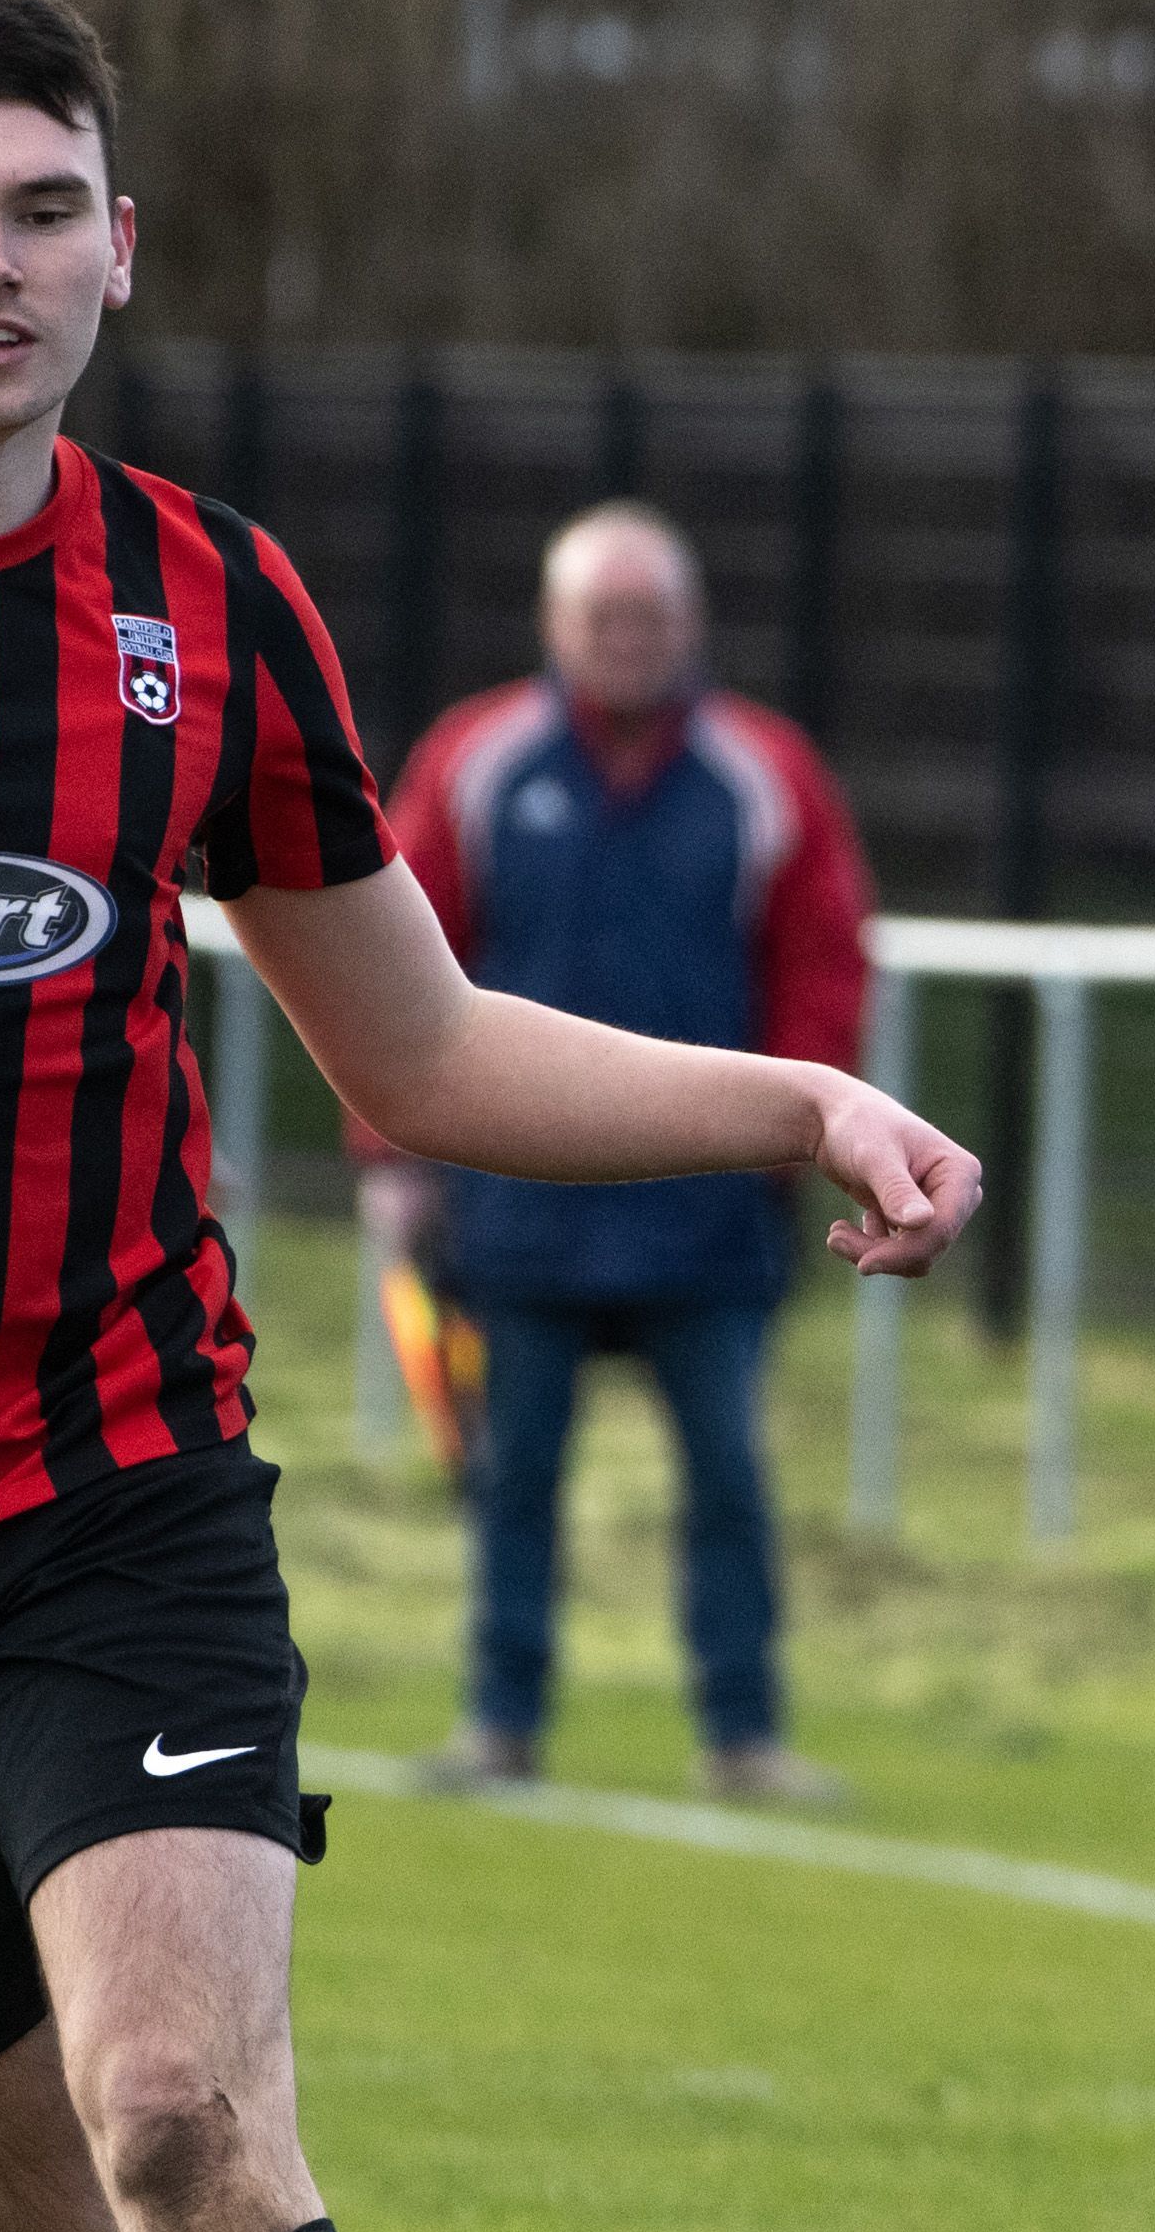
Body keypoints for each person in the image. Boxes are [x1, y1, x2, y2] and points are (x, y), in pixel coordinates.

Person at [0, 0, 978, 2232]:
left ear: (121, 251)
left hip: (117, 1488)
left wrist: (790, 1098)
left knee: (184, 2109)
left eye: (37, 210)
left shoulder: (198, 607)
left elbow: (409, 1050)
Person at [374, 501, 873, 1805]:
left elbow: (822, 965)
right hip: (518, 1206)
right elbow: (387, 958)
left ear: (691, 624)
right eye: (604, 615)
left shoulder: (765, 774)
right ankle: (501, 1718)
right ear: (555, 623)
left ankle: (743, 1730)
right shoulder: (477, 760)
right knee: (512, 1474)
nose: (628, 638)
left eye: (649, 615)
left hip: (706, 1212)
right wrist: (394, 1154)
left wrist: (799, 1138)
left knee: (728, 1476)